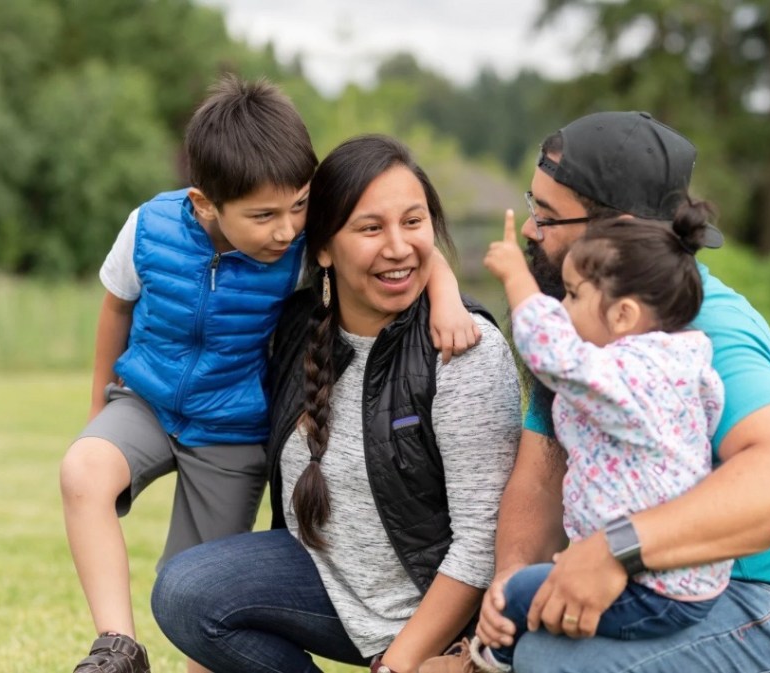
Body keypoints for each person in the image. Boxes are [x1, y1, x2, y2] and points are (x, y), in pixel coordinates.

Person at [59, 78, 479, 673]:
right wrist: (100, 407)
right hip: (146, 401)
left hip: (231, 428)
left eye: (299, 206)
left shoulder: (299, 244)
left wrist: (450, 298)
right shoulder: (149, 228)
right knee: (83, 469)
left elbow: (404, 242)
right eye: (263, 215)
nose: (285, 230)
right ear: (205, 203)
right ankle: (116, 648)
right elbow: (116, 306)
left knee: (197, 593)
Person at [440, 111, 770, 672]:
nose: (528, 232)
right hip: (664, 593)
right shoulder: (582, 325)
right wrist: (508, 594)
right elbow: (541, 474)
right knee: (535, 643)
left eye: (547, 216)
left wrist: (616, 549)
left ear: (614, 229)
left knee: (554, 661)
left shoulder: (705, 324)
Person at [150, 134, 521, 673]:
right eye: (370, 228)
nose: (397, 246)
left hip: (430, 612)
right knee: (186, 591)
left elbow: (479, 546)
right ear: (322, 246)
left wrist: (397, 666)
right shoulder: (294, 327)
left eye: (413, 223)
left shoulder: (461, 350)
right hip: (327, 586)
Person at [436, 200, 732, 673]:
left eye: (572, 295)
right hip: (682, 579)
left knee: (516, 597)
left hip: (652, 587)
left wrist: (517, 279)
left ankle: (486, 664)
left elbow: (556, 355)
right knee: (537, 588)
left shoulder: (634, 373)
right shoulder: (679, 361)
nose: (562, 307)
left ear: (623, 316)